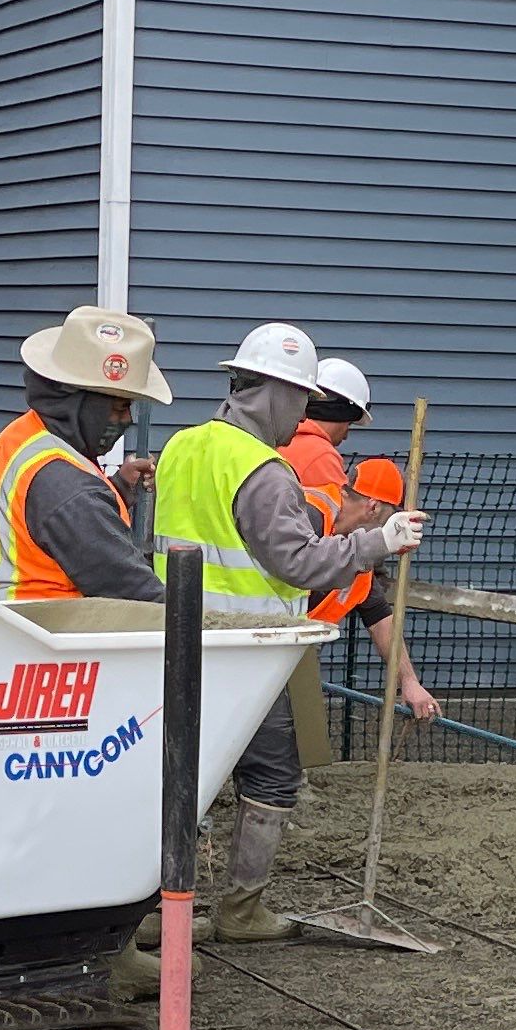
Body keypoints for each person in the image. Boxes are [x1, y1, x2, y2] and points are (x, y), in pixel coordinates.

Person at [151, 321, 428, 941]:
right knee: (272, 777)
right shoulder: (262, 469)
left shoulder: (183, 447)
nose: (303, 417)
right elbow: (298, 561)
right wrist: (377, 543)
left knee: (180, 776)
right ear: (276, 393)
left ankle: (155, 910)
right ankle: (241, 910)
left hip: (177, 643)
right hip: (249, 651)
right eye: (302, 400)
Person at [0, 306, 173, 602]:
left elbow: (57, 524)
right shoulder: (71, 491)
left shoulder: (26, 433)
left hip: (18, 630)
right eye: (119, 408)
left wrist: (119, 486)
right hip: (56, 635)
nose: (126, 421)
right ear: (82, 405)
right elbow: (133, 592)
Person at [287, 354, 438, 732]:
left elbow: (380, 616)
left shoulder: (354, 559)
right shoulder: (318, 472)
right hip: (270, 638)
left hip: (285, 644)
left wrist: (409, 681)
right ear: (373, 507)